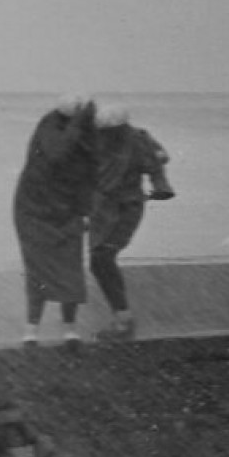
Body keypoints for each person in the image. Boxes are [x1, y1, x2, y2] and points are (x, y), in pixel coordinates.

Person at [13, 94, 98, 349]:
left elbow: (89, 179)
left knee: (70, 267)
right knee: (37, 269)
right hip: (33, 211)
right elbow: (57, 154)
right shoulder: (49, 127)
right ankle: (31, 328)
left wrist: (87, 213)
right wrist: (79, 122)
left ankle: (69, 328)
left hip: (66, 211)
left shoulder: (83, 138)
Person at [87, 104, 175, 341]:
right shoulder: (95, 139)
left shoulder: (138, 139)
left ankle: (123, 320)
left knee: (102, 257)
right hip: (100, 208)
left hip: (127, 207)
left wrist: (161, 187)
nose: (106, 135)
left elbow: (158, 162)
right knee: (98, 261)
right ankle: (122, 317)